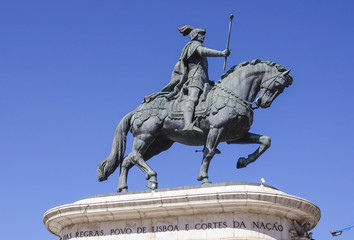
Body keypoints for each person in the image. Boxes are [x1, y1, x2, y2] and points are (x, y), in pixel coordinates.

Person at [161, 25, 230, 133]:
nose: (203, 37)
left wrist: (208, 81)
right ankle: (188, 124)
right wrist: (221, 53)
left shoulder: (196, 46)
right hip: (194, 78)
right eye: (201, 34)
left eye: (203, 35)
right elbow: (203, 51)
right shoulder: (193, 45)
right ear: (195, 35)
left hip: (203, 79)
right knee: (192, 98)